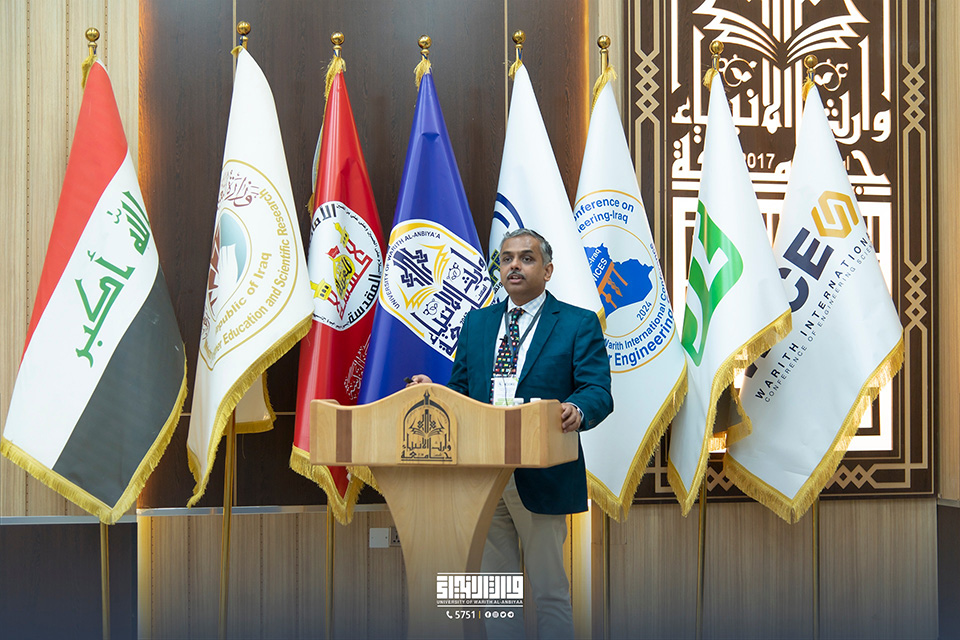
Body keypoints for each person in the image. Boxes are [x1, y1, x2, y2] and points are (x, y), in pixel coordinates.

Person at [409, 228, 612, 639]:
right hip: (483, 474)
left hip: (542, 472)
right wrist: (435, 392)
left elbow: (597, 390)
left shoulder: (577, 323)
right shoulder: (478, 323)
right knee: (498, 594)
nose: (514, 265)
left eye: (526, 258)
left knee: (550, 591)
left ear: (547, 270)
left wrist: (576, 409)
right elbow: (463, 390)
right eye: (506, 259)